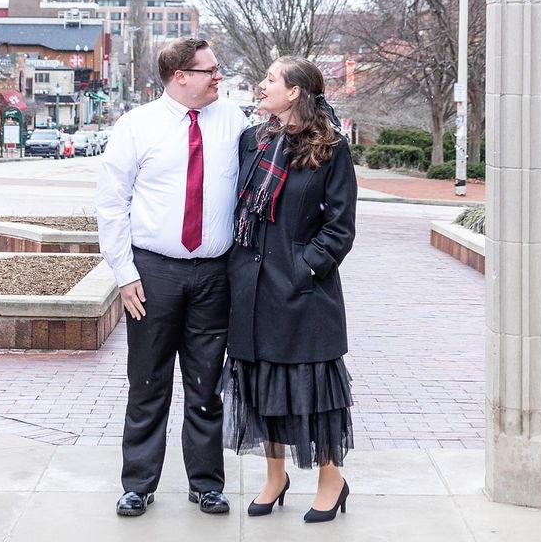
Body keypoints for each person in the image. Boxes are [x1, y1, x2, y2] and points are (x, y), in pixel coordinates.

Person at [95, 37, 250, 517]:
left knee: (206, 385)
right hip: (153, 274)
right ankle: (138, 483)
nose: (219, 77)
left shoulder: (234, 121)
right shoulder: (136, 126)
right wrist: (124, 274)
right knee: (148, 381)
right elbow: (111, 205)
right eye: (210, 70)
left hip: (214, 275)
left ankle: (206, 483)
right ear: (181, 76)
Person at [220, 56, 357, 523]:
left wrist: (304, 269)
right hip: (253, 288)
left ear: (295, 91)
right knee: (262, 387)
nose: (262, 86)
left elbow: (340, 228)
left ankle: (330, 479)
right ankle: (275, 476)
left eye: (271, 79)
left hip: (302, 294)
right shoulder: (253, 141)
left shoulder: (331, 148)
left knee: (312, 392)